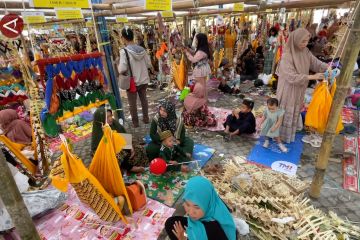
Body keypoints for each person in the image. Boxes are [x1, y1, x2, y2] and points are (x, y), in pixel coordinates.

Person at [276, 28, 328, 143]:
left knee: (295, 108)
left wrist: (328, 67)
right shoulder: (287, 55)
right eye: (302, 41)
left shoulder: (305, 52)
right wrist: (312, 77)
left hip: (299, 87)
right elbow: (291, 77)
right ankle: (278, 136)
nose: (305, 44)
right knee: (286, 110)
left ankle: (288, 135)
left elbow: (316, 63)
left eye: (307, 41)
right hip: (288, 89)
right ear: (295, 40)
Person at [165, 176, 236, 240]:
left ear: (206, 205)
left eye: (197, 207)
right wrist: (185, 235)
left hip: (210, 233)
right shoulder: (211, 200)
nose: (190, 212)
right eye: (187, 204)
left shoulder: (214, 228)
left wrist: (184, 238)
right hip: (200, 224)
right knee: (171, 223)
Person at [91, 107, 148, 173]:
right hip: (108, 155)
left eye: (110, 116)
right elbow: (102, 151)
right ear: (100, 120)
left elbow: (123, 135)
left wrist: (130, 146)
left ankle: (141, 168)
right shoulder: (99, 132)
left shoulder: (113, 123)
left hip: (120, 147)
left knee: (139, 149)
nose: (110, 119)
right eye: (107, 118)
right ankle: (130, 168)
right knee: (118, 155)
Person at [118, 27, 152, 128]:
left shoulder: (124, 51)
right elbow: (149, 64)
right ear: (133, 36)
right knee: (144, 100)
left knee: (132, 104)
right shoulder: (142, 49)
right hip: (144, 79)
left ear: (124, 38)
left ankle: (135, 123)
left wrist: (118, 67)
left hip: (132, 81)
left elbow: (122, 69)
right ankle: (146, 119)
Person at [182, 33, 216, 128]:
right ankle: (202, 104)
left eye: (196, 39)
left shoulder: (201, 51)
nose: (195, 41)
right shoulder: (204, 48)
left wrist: (186, 52)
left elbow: (193, 59)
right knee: (201, 86)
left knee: (197, 86)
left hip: (200, 70)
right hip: (202, 69)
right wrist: (188, 50)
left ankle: (196, 104)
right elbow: (195, 53)